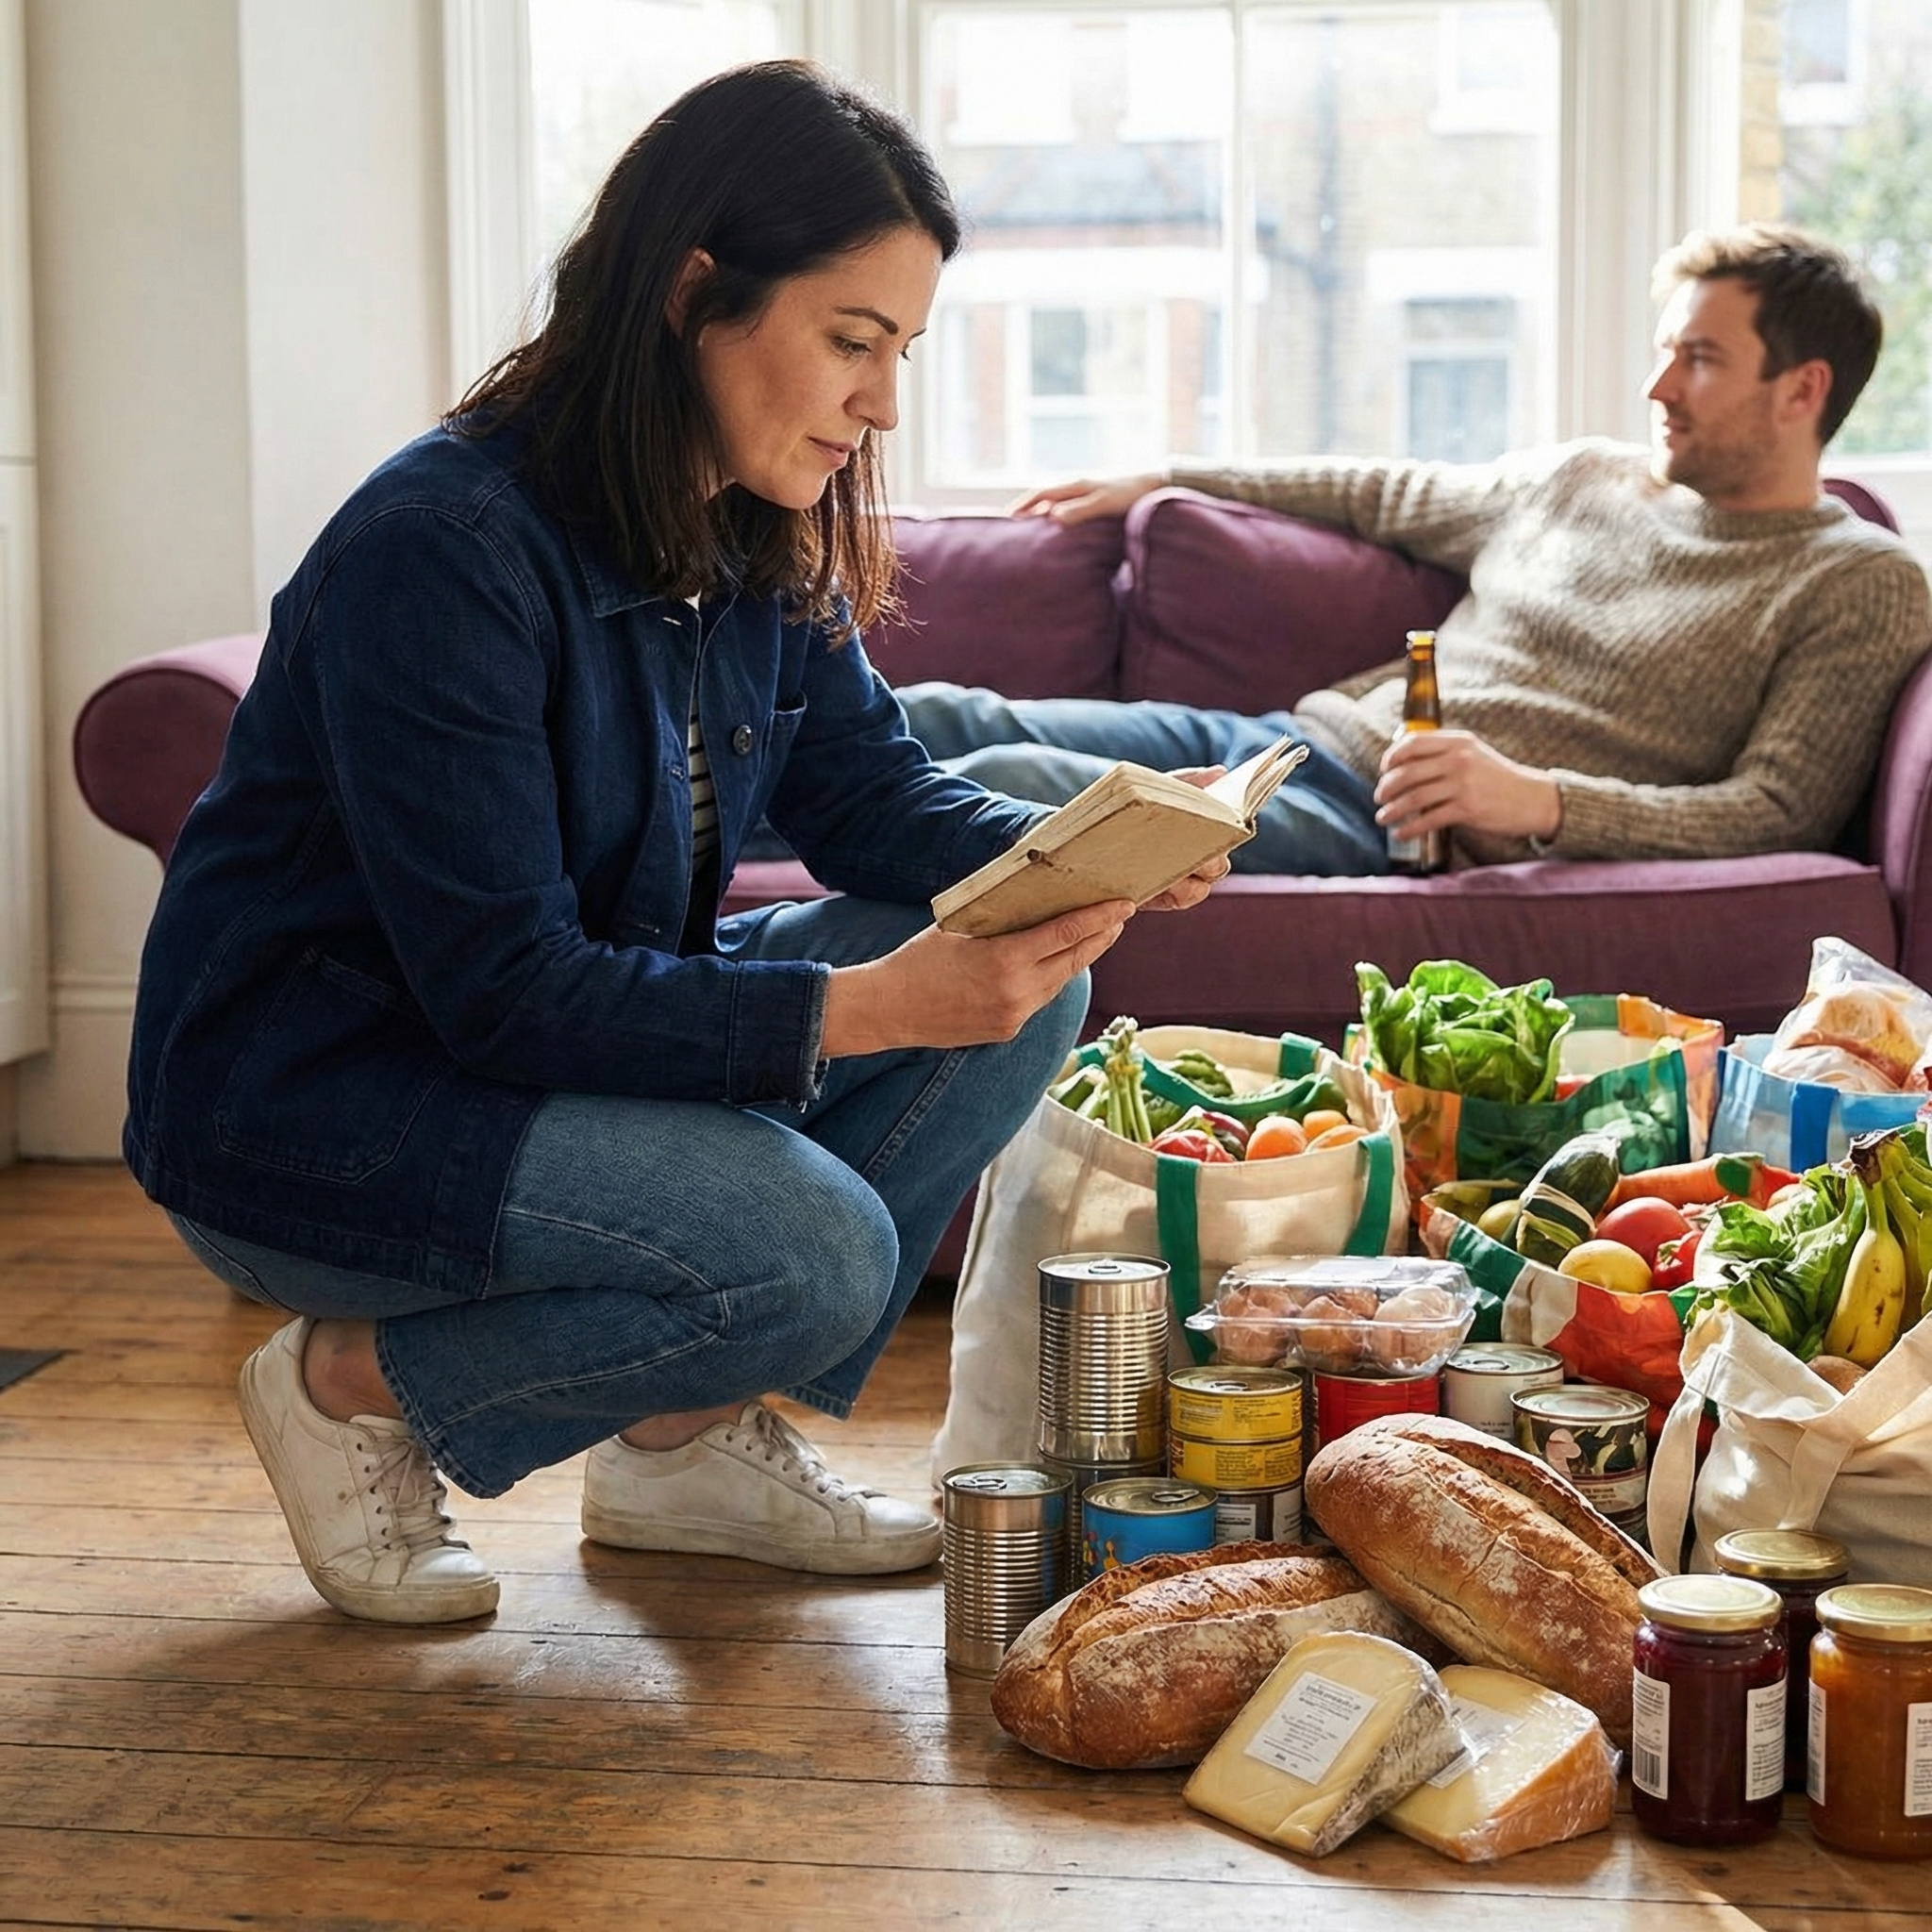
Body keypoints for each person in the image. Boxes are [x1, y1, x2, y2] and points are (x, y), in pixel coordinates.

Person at [122, 61, 1225, 1626]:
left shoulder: (744, 526)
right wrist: (873, 1006)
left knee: (1025, 978)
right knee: (822, 1255)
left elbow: (873, 798)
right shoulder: (442, 552)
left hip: (529, 1042)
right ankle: (347, 1384)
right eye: (852, 342)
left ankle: (677, 1445)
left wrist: (1089, 849)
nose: (882, 402)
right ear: (695, 290)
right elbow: (504, 990)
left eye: (899, 351)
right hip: (322, 1105)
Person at [893, 224, 1932, 874]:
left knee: (1007, 778)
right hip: (1296, 739)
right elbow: (1379, 491)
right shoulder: (1584, 477)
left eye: (1698, 360)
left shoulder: (1855, 582)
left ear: (1802, 391)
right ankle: (722, 903)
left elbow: (1776, 808)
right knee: (931, 716)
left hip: (1392, 823)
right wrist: (1167, 478)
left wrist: (1540, 802)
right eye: (1663, 352)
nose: (1657, 388)